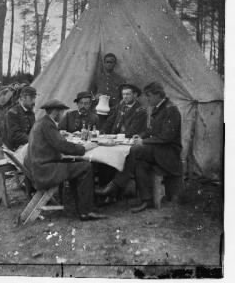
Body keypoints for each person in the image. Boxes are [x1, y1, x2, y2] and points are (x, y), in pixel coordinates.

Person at [98, 82, 182, 213]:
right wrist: (140, 136)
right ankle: (146, 201)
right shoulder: (158, 107)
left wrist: (143, 142)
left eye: (149, 96)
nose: (147, 100)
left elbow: (167, 137)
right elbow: (150, 130)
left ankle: (116, 185)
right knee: (139, 164)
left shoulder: (171, 110)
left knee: (135, 150)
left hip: (169, 152)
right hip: (158, 150)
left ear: (158, 95)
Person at [24, 99, 106, 221]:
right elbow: (62, 146)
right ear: (56, 112)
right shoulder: (47, 125)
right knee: (86, 167)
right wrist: (84, 148)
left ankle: (77, 205)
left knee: (77, 164)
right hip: (45, 170)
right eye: (61, 113)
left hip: (39, 167)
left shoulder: (42, 122)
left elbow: (57, 143)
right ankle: (86, 211)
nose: (62, 116)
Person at [3, 86, 37, 151]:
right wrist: (34, 140)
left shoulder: (31, 112)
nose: (34, 101)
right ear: (23, 98)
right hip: (13, 150)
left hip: (26, 147)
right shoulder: (13, 113)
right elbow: (15, 135)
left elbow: (33, 130)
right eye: (31, 98)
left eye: (34, 98)